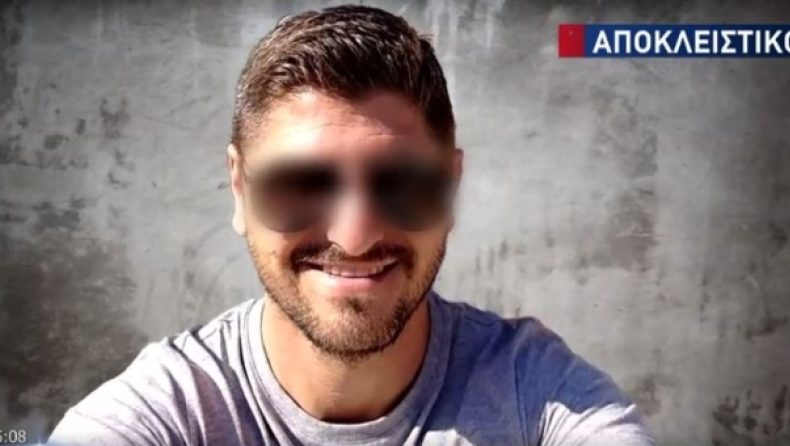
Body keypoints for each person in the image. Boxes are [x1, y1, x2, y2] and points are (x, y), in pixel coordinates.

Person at [49, 5, 656, 446]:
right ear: (239, 188)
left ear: (450, 187)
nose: (355, 234)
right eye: (301, 185)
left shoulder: (539, 399)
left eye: (400, 184)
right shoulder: (164, 414)